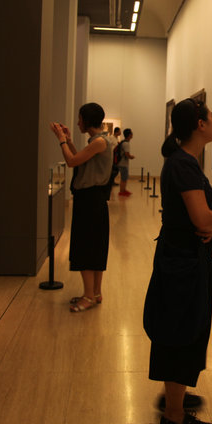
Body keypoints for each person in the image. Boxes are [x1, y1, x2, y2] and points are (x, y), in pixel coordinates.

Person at [142, 98, 212, 424]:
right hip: (183, 263)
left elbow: (196, 220)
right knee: (181, 331)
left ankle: (174, 395)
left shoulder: (183, 161)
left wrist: (209, 225)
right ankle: (174, 416)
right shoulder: (183, 164)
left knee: (180, 327)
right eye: (211, 117)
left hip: (184, 258)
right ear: (200, 125)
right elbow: (203, 219)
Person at [52, 103, 113, 312]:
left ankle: (88, 296)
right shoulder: (98, 142)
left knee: (87, 248)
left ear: (87, 121)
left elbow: (71, 162)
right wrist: (69, 140)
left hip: (90, 201)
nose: (78, 123)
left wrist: (61, 140)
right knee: (95, 247)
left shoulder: (99, 142)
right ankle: (95, 293)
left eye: (79, 119)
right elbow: (81, 161)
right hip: (93, 200)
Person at [118, 128, 135, 197]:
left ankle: (124, 190)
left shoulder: (123, 142)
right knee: (124, 178)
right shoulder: (126, 143)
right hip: (123, 164)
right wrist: (131, 157)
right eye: (131, 133)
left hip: (122, 163)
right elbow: (127, 154)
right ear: (129, 135)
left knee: (124, 177)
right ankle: (122, 191)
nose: (132, 134)